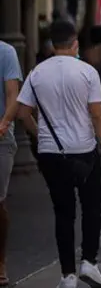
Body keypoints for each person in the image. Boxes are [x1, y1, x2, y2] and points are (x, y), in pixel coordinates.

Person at [15, 20, 101, 288]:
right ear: (75, 44)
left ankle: (67, 275)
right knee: (92, 208)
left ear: (51, 45)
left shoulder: (36, 73)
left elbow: (22, 113)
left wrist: (40, 134)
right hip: (84, 151)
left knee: (63, 213)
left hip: (50, 154)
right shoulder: (87, 72)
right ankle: (89, 263)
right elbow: (97, 114)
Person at [0, 40, 22, 287]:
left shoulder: (6, 52)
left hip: (1, 137)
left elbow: (12, 94)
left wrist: (4, 123)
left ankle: (0, 261)